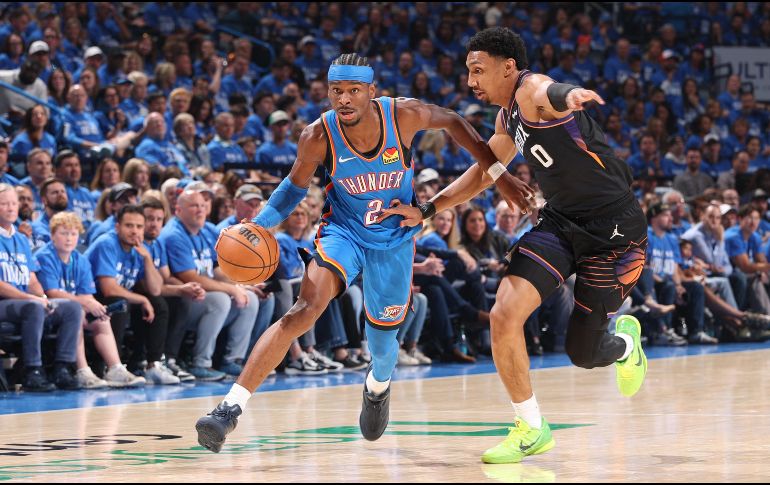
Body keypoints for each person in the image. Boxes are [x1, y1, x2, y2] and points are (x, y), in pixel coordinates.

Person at [195, 53, 533, 453]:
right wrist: (262, 224)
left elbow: (457, 123)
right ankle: (229, 409)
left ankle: (377, 386)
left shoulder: (402, 116)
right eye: (337, 91)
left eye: (354, 90)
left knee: (383, 346)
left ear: (372, 92)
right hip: (345, 231)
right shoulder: (317, 136)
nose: (345, 99)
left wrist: (499, 174)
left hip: (394, 237)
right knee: (303, 308)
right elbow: (292, 188)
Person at [379, 28, 648, 464]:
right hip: (561, 223)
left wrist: (572, 93)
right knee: (504, 313)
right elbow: (486, 171)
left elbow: (550, 92)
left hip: (615, 233)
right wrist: (428, 209)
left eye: (478, 70)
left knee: (584, 353)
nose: (471, 81)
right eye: (468, 71)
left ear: (509, 67)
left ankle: (624, 346)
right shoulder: (508, 118)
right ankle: (530, 427)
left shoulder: (531, 92)